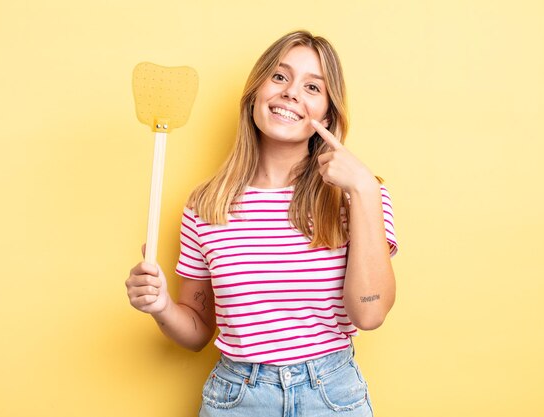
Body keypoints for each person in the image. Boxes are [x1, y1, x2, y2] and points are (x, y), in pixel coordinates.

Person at [126, 30, 398, 417]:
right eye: (280, 77)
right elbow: (197, 331)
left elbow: (369, 315)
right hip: (237, 398)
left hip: (332, 395)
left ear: (328, 114)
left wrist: (365, 192)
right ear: (256, 92)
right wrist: (161, 306)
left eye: (312, 87)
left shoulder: (358, 195)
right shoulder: (207, 205)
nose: (291, 93)